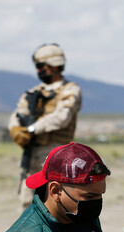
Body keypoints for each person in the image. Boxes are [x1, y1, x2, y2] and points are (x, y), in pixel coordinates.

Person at [8, 43, 83, 209]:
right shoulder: (33, 93)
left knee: (55, 202)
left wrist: (33, 129)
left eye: (41, 66)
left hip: (56, 153)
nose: (38, 71)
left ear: (55, 66)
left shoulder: (70, 90)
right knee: (27, 200)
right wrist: (15, 130)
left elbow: (61, 117)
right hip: (32, 151)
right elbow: (18, 114)